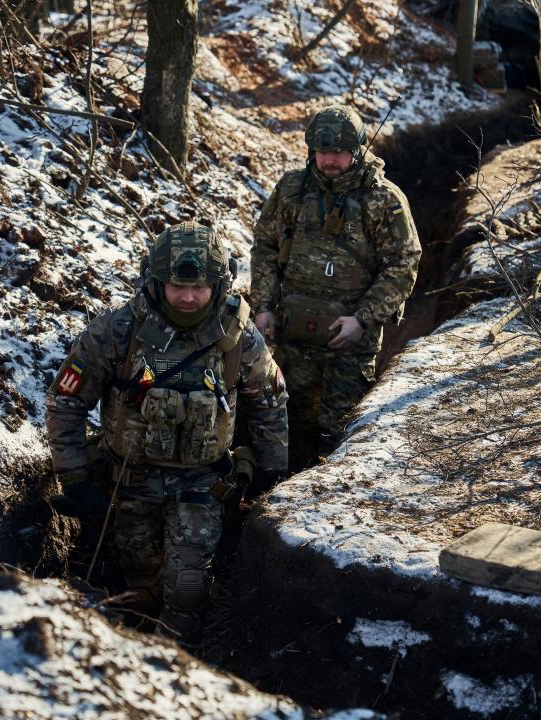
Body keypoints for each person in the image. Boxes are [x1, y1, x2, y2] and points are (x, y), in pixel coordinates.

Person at [45, 221, 288, 647]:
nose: (189, 298)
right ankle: (133, 653)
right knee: (138, 580)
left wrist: (271, 475)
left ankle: (180, 665)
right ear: (156, 282)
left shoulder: (238, 339)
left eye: (200, 288)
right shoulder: (118, 332)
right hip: (129, 482)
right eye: (177, 287)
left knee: (187, 586)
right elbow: (66, 402)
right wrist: (76, 478)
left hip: (202, 484)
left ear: (219, 284)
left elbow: (268, 405)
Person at [250, 104, 421, 465]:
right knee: (290, 419)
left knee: (339, 429)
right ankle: (280, 493)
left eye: (338, 153)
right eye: (323, 152)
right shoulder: (292, 191)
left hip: (350, 341)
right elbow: (265, 247)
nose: (329, 160)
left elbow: (403, 263)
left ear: (356, 150)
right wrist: (263, 306)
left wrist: (362, 318)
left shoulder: (383, 200)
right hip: (294, 333)